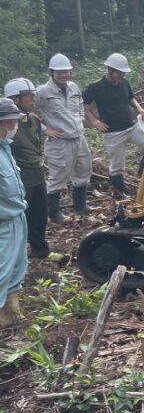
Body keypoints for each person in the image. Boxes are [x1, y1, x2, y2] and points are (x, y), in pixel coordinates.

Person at [83, 53, 144, 196]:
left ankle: (142, 172)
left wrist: (138, 107)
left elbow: (130, 97)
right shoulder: (96, 87)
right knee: (117, 165)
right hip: (113, 132)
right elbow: (84, 106)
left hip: (132, 126)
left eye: (123, 73)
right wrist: (94, 121)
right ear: (110, 71)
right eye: (119, 73)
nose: (121, 76)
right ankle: (120, 192)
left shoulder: (124, 83)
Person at [36, 54, 92, 222]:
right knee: (58, 176)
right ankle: (54, 213)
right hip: (60, 141)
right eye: (59, 72)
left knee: (83, 169)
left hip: (79, 137)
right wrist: (45, 129)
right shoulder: (42, 92)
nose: (63, 75)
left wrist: (81, 118)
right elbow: (27, 113)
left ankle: (80, 205)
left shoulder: (73, 87)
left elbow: (81, 105)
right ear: (52, 72)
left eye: (66, 72)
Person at [4, 80, 48, 258]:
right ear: (16, 99)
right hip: (21, 179)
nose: (33, 100)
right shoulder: (7, 125)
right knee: (21, 218)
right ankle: (18, 254)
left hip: (37, 175)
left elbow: (37, 145)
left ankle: (40, 250)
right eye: (29, 96)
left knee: (40, 214)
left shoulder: (35, 120)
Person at [0, 98, 28, 328]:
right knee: (1, 269)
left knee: (17, 265)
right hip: (2, 223)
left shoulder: (6, 149)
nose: (14, 127)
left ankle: (11, 313)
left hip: (17, 218)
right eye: (10, 122)